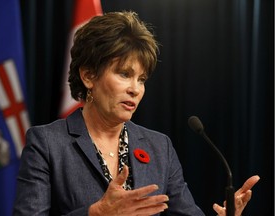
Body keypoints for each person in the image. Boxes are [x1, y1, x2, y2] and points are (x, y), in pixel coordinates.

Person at [13, 11, 260, 216]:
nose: (135, 89)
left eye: (141, 79)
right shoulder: (47, 144)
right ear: (88, 75)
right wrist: (95, 214)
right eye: (124, 74)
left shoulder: (158, 146)